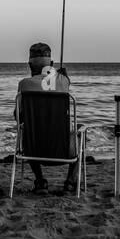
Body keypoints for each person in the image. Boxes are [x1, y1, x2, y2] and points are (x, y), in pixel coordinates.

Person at [15, 42, 77, 193]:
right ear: (52, 64)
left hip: (33, 149)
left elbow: (18, 118)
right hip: (62, 150)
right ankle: (69, 182)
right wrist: (62, 75)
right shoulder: (63, 81)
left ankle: (40, 181)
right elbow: (57, 81)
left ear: (29, 65)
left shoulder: (24, 85)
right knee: (79, 132)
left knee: (28, 131)